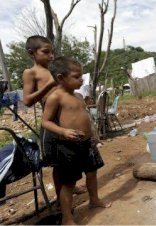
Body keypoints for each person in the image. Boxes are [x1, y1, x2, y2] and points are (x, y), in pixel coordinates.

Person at [42, 56, 111, 225]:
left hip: (86, 144)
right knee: (69, 183)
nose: (81, 80)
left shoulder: (79, 96)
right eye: (76, 76)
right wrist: (63, 131)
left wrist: (93, 134)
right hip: (67, 146)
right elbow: (46, 122)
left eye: (81, 76)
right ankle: (67, 218)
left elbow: (85, 116)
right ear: (60, 78)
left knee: (92, 173)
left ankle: (94, 200)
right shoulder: (55, 97)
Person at [22, 35, 87, 206]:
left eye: (52, 52)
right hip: (51, 122)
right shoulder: (31, 73)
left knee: (72, 158)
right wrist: (49, 85)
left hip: (66, 119)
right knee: (59, 164)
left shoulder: (57, 69)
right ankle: (61, 199)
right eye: (46, 52)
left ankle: (70, 187)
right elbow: (27, 101)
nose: (51, 55)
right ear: (31, 53)